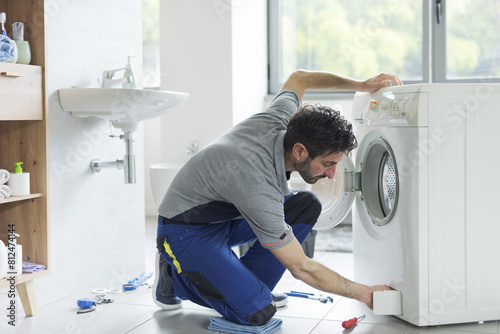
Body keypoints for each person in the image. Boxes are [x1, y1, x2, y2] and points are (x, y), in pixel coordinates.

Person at [152, 70, 403, 326]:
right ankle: (173, 277)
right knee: (257, 313)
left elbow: (301, 78)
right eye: (327, 163)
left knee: (306, 205)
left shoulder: (281, 119)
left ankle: (243, 289)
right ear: (300, 151)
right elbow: (301, 267)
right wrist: (364, 292)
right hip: (184, 231)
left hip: (223, 217)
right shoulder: (256, 181)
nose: (331, 174)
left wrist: (360, 84)